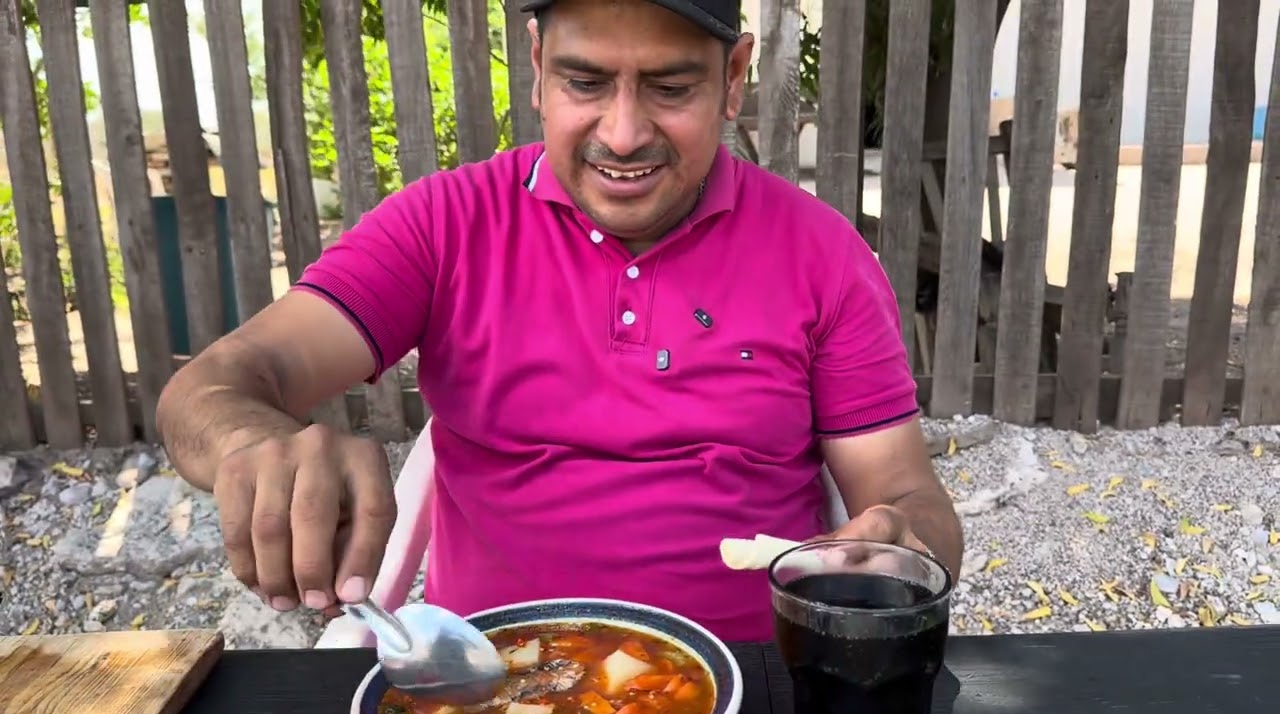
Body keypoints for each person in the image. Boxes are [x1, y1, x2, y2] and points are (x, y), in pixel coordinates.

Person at [155, 0, 963, 642]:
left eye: (671, 87)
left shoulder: (820, 254)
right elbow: (215, 385)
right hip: (491, 684)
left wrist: (902, 541)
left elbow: (904, 491)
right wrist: (252, 445)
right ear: (537, 66)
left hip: (753, 683)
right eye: (584, 82)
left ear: (735, 76)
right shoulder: (444, 226)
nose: (622, 133)